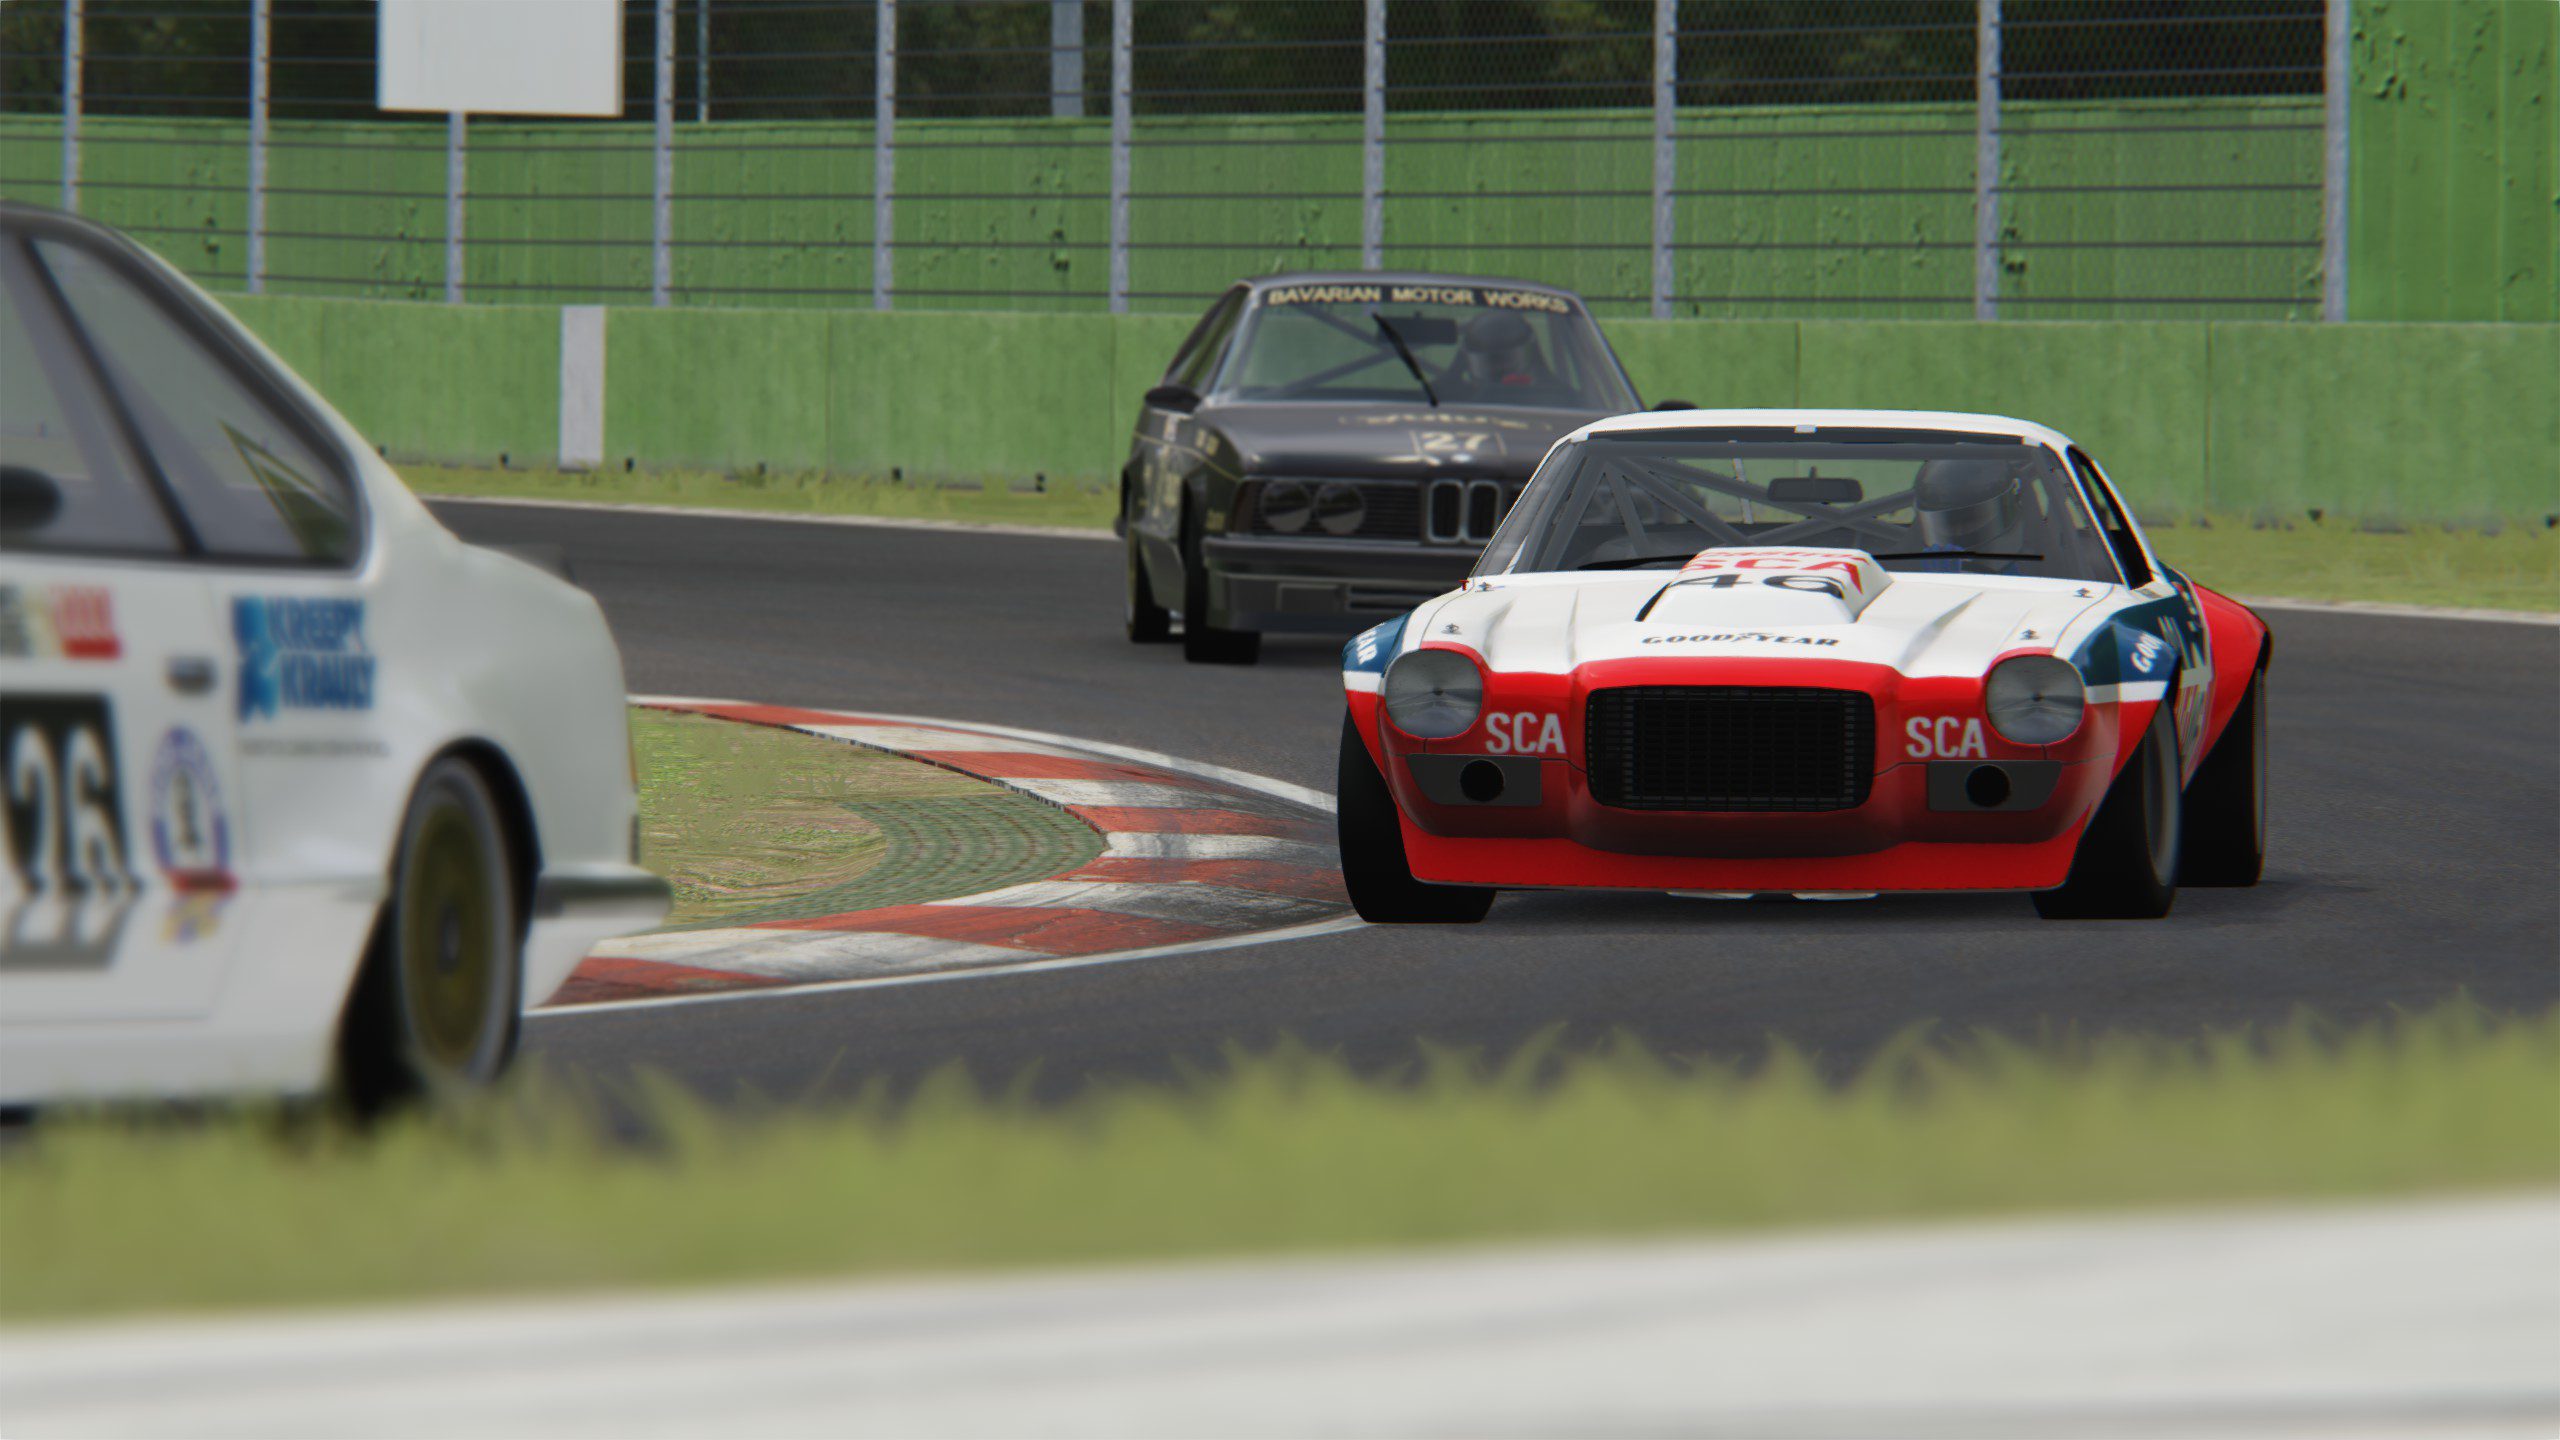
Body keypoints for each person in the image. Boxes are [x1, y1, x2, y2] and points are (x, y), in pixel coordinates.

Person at [1908, 457, 2028, 571]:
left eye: (1970, 521)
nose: (1960, 532)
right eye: (1950, 524)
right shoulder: (1906, 571)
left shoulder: (2031, 564)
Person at [1449, 311, 1543, 392]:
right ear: (1466, 362)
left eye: (1507, 363)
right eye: (1491, 366)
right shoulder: (1453, 400)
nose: (1501, 375)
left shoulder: (1546, 397)